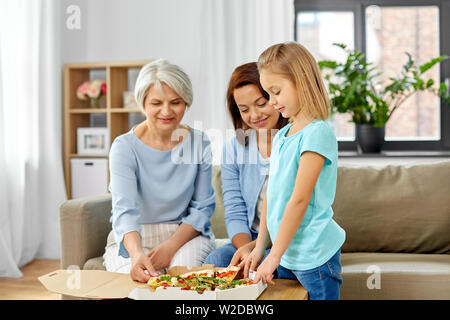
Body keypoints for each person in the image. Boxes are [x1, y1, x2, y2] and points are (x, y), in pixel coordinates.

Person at [242, 42, 346, 300]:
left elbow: (299, 200)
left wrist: (273, 257)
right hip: (287, 254)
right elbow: (272, 195)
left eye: (276, 91)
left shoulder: (317, 134)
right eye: (268, 93)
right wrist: (261, 247)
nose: (272, 101)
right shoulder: (283, 136)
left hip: (315, 257)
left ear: (301, 81)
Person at [103, 59, 216, 283]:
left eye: (176, 102)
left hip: (184, 236)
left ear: (186, 102)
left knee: (183, 285)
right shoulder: (124, 147)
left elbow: (203, 207)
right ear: (143, 102)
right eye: (156, 103)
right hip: (135, 236)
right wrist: (136, 254)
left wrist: (171, 246)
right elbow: (124, 210)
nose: (166, 111)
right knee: (136, 289)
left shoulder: (198, 142)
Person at [204, 62, 289, 267]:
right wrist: (247, 251)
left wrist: (264, 250)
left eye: (261, 103)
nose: (254, 115)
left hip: (289, 239)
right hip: (251, 239)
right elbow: (235, 211)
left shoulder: (295, 140)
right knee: (215, 261)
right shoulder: (234, 149)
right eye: (244, 109)